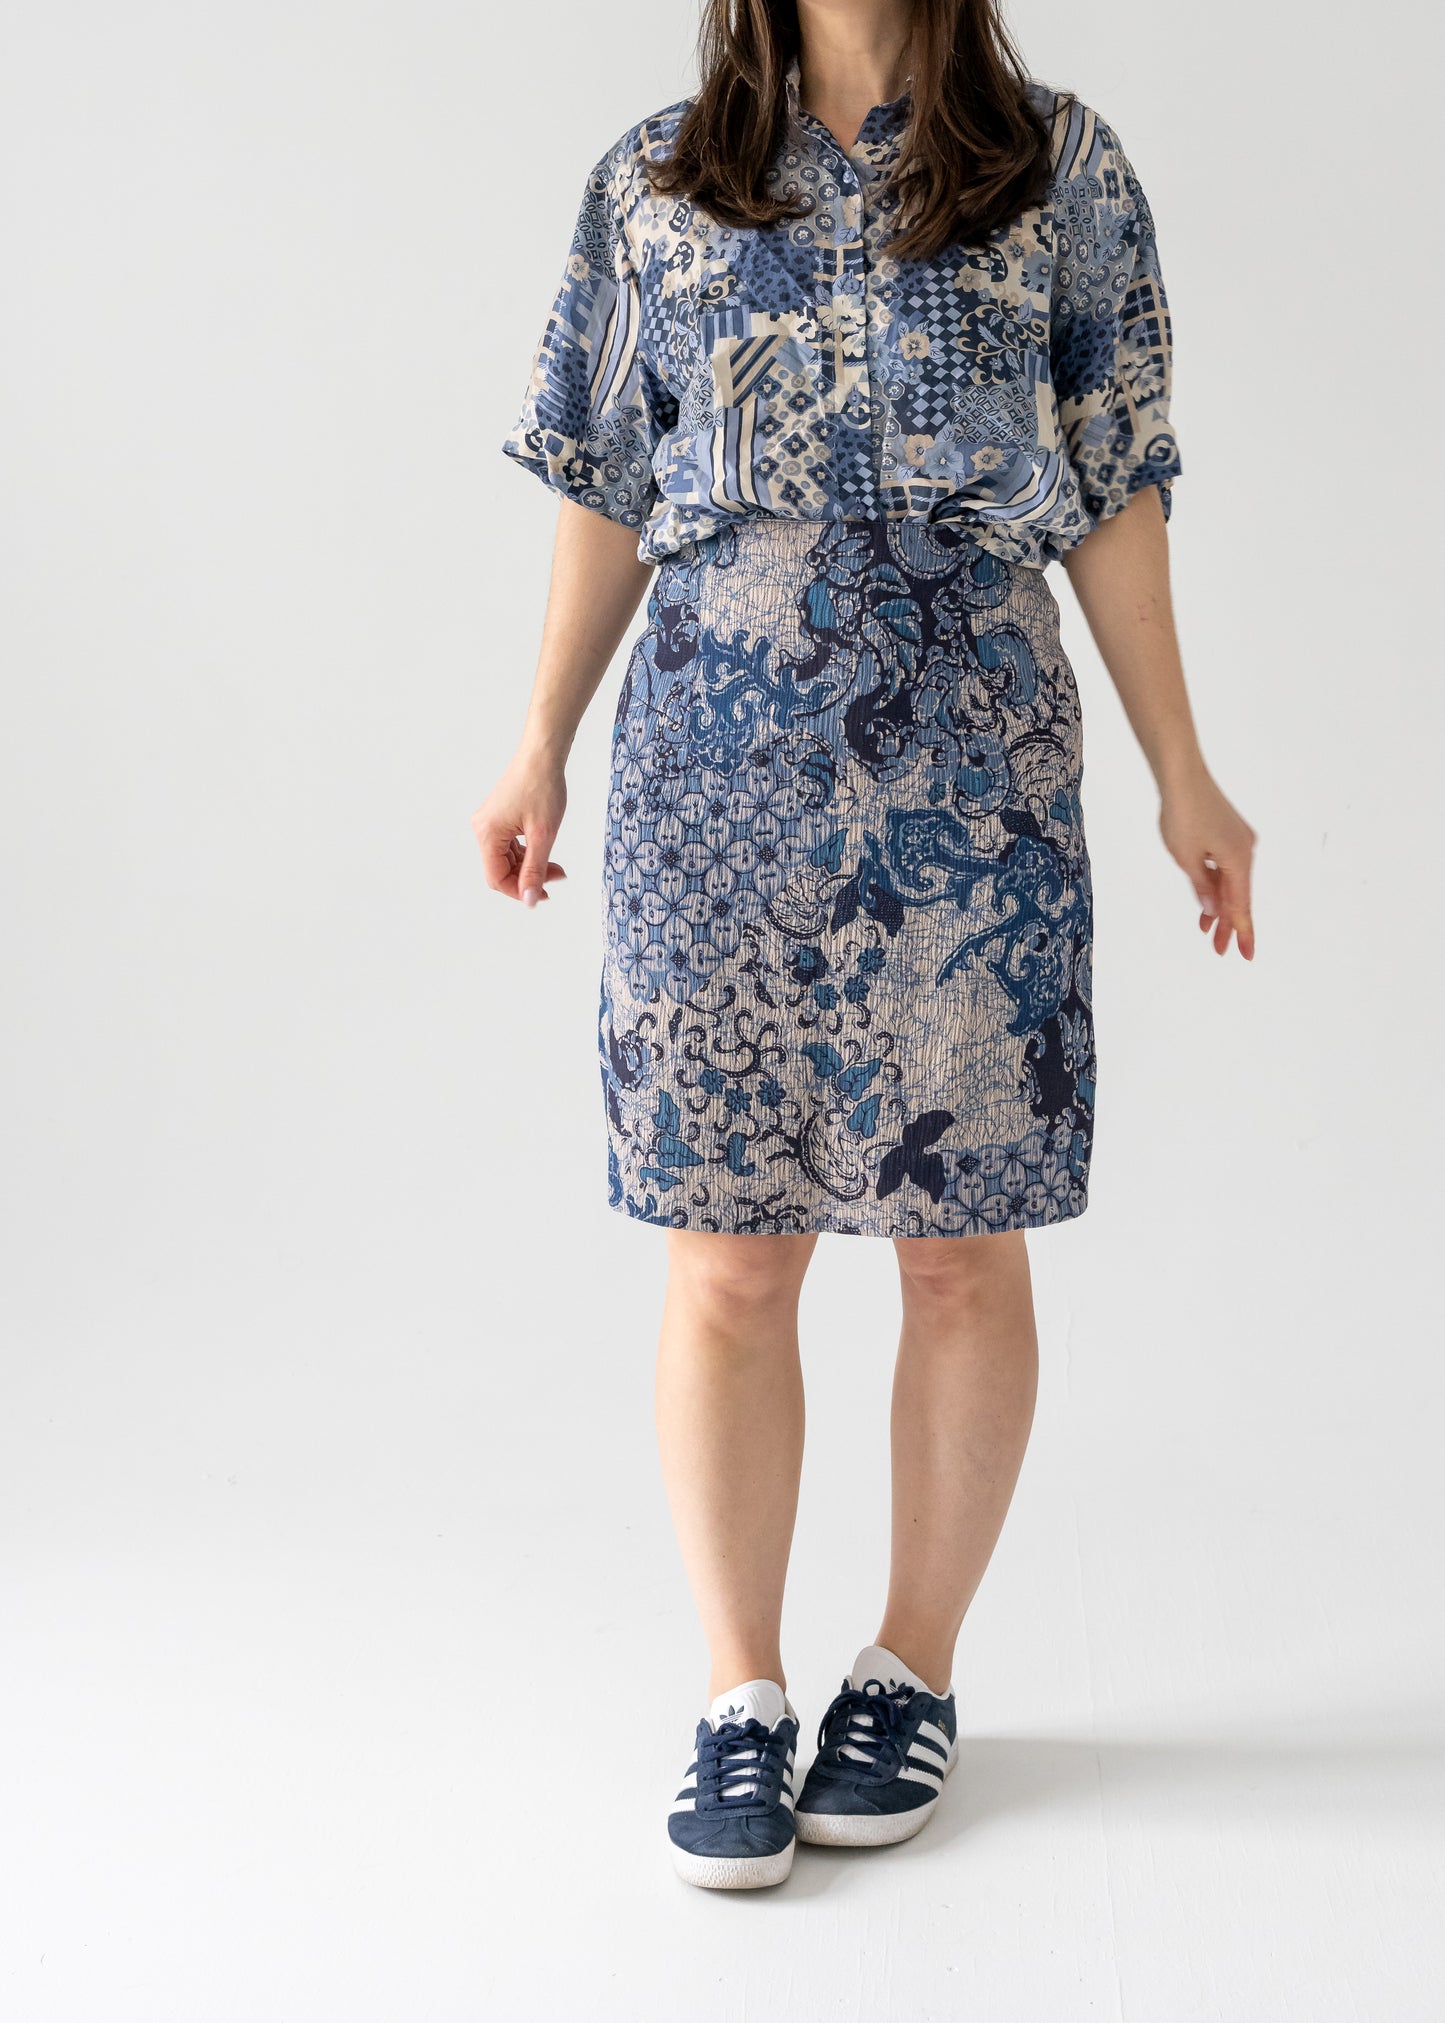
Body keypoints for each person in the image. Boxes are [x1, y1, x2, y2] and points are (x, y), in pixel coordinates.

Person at [474, 0, 1256, 1891]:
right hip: (714, 776)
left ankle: (910, 1667)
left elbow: (1117, 483)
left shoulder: (1056, 166)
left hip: (969, 780)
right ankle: (739, 1693)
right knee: (728, 1256)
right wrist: (536, 744)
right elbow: (600, 480)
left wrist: (1186, 772)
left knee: (958, 1250)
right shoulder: (655, 183)